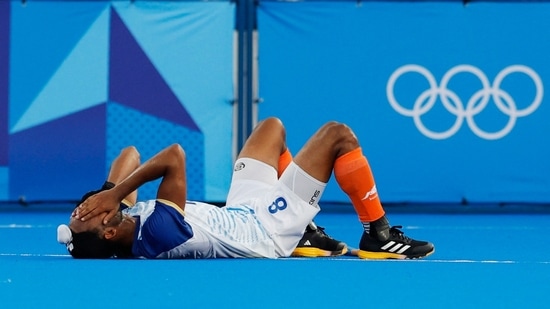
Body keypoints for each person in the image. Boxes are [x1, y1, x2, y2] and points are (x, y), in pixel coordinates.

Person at [58, 117, 434, 259]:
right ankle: (377, 234)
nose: (83, 212)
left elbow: (130, 154)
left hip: (239, 210)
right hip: (266, 230)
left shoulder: (120, 217)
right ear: (108, 231)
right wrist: (109, 196)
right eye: (85, 219)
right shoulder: (157, 234)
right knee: (338, 135)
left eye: (80, 211)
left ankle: (307, 232)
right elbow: (173, 156)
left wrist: (105, 192)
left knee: (272, 128)